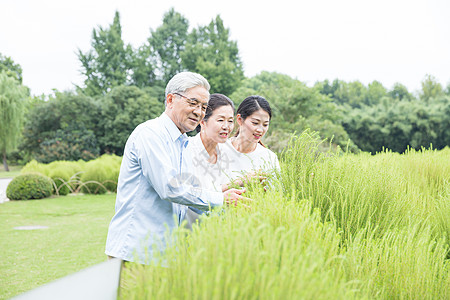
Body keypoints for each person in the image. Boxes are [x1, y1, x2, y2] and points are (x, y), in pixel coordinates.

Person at [105, 72, 249, 264]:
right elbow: (170, 189)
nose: (198, 112)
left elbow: (187, 198)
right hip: (136, 252)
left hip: (163, 254)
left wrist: (233, 205)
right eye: (193, 103)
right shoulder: (150, 134)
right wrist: (220, 199)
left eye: (203, 107)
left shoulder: (183, 143)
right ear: (170, 99)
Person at [184, 93, 236, 228]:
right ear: (202, 122)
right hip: (186, 234)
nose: (227, 126)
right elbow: (189, 195)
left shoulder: (227, 153)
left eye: (230, 121)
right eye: (220, 120)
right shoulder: (186, 150)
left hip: (217, 236)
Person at [221, 95, 280, 184]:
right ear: (240, 119)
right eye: (255, 123)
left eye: (265, 125)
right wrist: (242, 181)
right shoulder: (219, 149)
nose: (260, 130)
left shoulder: (269, 158)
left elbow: (276, 193)